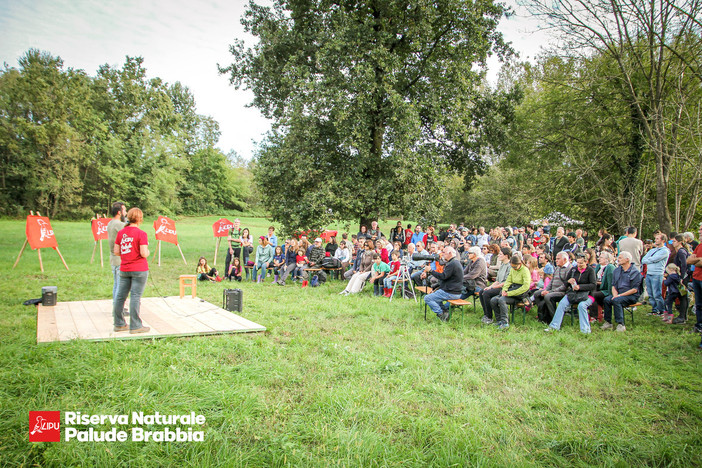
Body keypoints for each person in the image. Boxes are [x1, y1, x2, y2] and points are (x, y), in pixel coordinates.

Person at [112, 207, 150, 334]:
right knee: (135, 296)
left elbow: (116, 251)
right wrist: (148, 252)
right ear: (140, 219)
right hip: (139, 269)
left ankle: (119, 323)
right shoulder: (141, 234)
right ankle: (136, 326)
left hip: (124, 268)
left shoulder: (121, 233)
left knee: (120, 296)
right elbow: (144, 253)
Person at [545, 254, 596, 334]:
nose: (579, 265)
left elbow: (593, 285)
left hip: (587, 295)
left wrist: (580, 287)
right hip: (573, 294)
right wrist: (568, 281)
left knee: (582, 306)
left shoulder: (590, 271)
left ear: (586, 262)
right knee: (562, 304)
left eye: (581, 263)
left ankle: (585, 330)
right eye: (578, 263)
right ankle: (554, 326)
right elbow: (565, 283)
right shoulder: (573, 270)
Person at [602, 252, 642, 332]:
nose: (617, 259)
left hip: (631, 296)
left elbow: (634, 290)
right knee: (607, 300)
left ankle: (621, 324)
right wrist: (615, 294)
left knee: (617, 300)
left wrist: (619, 296)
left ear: (627, 260)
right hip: (618, 294)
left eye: (620, 258)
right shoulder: (617, 270)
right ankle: (608, 322)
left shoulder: (635, 272)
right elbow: (613, 285)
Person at [422, 246, 463, 322]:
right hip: (453, 291)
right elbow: (445, 279)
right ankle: (445, 311)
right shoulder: (454, 262)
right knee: (435, 298)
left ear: (450, 253)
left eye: (444, 252)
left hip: (451, 292)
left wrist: (431, 271)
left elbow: (443, 277)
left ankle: (441, 314)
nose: (442, 254)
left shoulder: (452, 264)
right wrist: (435, 288)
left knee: (427, 298)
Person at [490, 255, 531, 330]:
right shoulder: (512, 270)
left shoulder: (525, 270)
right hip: (511, 290)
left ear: (520, 264)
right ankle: (499, 320)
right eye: (512, 267)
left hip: (520, 295)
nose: (514, 269)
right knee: (493, 300)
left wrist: (509, 293)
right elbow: (508, 281)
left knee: (502, 300)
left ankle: (505, 322)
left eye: (515, 267)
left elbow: (525, 287)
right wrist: (504, 290)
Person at [533, 251, 572, 324]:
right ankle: (543, 316)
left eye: (558, 259)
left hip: (563, 292)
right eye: (556, 259)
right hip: (552, 290)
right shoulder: (558, 267)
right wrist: (546, 290)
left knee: (548, 296)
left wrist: (550, 292)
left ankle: (554, 319)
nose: (556, 260)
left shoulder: (569, 269)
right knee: (537, 294)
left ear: (565, 259)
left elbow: (565, 286)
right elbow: (552, 281)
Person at [479, 247, 512, 324]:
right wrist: (489, 287)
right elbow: (497, 280)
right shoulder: (502, 265)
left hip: (504, 288)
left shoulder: (510, 266)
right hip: (498, 285)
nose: (498, 256)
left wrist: (493, 287)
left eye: (500, 254)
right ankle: (486, 314)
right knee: (482, 291)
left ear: (506, 256)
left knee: (487, 293)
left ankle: (489, 317)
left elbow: (506, 282)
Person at [641, 233, 669, 316]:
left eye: (657, 239)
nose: (655, 240)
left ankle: (661, 310)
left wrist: (650, 260)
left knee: (657, 293)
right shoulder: (653, 250)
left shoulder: (665, 251)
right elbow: (644, 259)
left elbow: (655, 259)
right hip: (649, 273)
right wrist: (651, 260)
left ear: (662, 240)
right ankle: (654, 310)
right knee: (650, 293)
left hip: (657, 274)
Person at [107, 201, 127, 313]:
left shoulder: (110, 223)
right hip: (119, 259)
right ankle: (118, 309)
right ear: (119, 212)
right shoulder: (119, 225)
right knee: (121, 286)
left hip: (113, 258)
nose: (126, 212)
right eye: (124, 210)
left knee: (116, 284)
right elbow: (129, 233)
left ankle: (116, 306)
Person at [588, 251, 615, 322]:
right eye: (599, 257)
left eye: (601, 257)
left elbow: (610, 283)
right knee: (588, 293)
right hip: (597, 288)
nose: (599, 258)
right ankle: (598, 314)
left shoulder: (610, 267)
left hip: (605, 290)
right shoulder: (598, 267)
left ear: (607, 259)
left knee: (592, 295)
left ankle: (594, 316)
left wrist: (610, 294)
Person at [686, 223, 702, 333]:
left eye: (701, 229)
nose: (699, 231)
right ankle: (699, 325)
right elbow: (688, 260)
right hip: (696, 278)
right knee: (699, 305)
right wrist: (698, 260)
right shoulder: (700, 245)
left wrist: (696, 260)